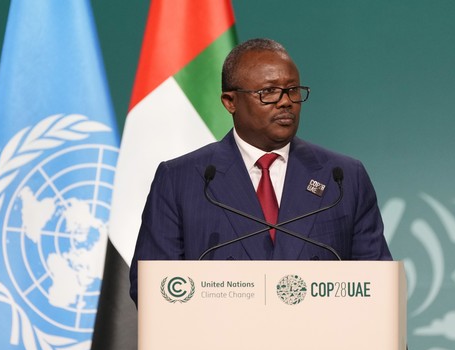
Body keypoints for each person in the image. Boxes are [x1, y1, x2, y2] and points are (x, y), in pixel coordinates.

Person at [129, 38, 392, 305]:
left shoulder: (343, 177)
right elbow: (151, 288)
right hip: (219, 342)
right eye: (269, 92)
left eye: (293, 90)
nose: (285, 102)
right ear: (230, 101)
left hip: (321, 342)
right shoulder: (182, 179)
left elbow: (378, 288)